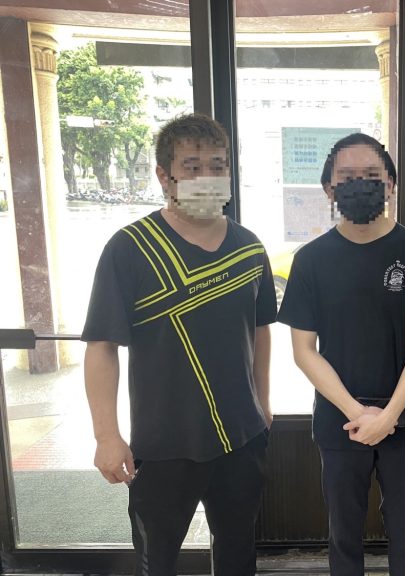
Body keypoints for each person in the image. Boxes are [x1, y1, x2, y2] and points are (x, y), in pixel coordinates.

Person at [82, 113, 277, 576]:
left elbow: (260, 329)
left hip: (240, 437)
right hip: (162, 442)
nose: (207, 177)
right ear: (163, 175)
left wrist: (263, 402)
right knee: (158, 560)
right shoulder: (130, 248)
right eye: (192, 167)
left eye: (217, 166)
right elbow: (102, 346)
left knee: (238, 554)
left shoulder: (249, 248)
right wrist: (107, 436)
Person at [277, 132, 405, 576]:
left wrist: (389, 415)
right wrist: (359, 413)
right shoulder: (311, 260)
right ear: (329, 189)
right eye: (348, 176)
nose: (360, 183)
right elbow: (304, 351)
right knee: (343, 534)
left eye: (372, 174)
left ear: (390, 183)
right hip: (341, 422)